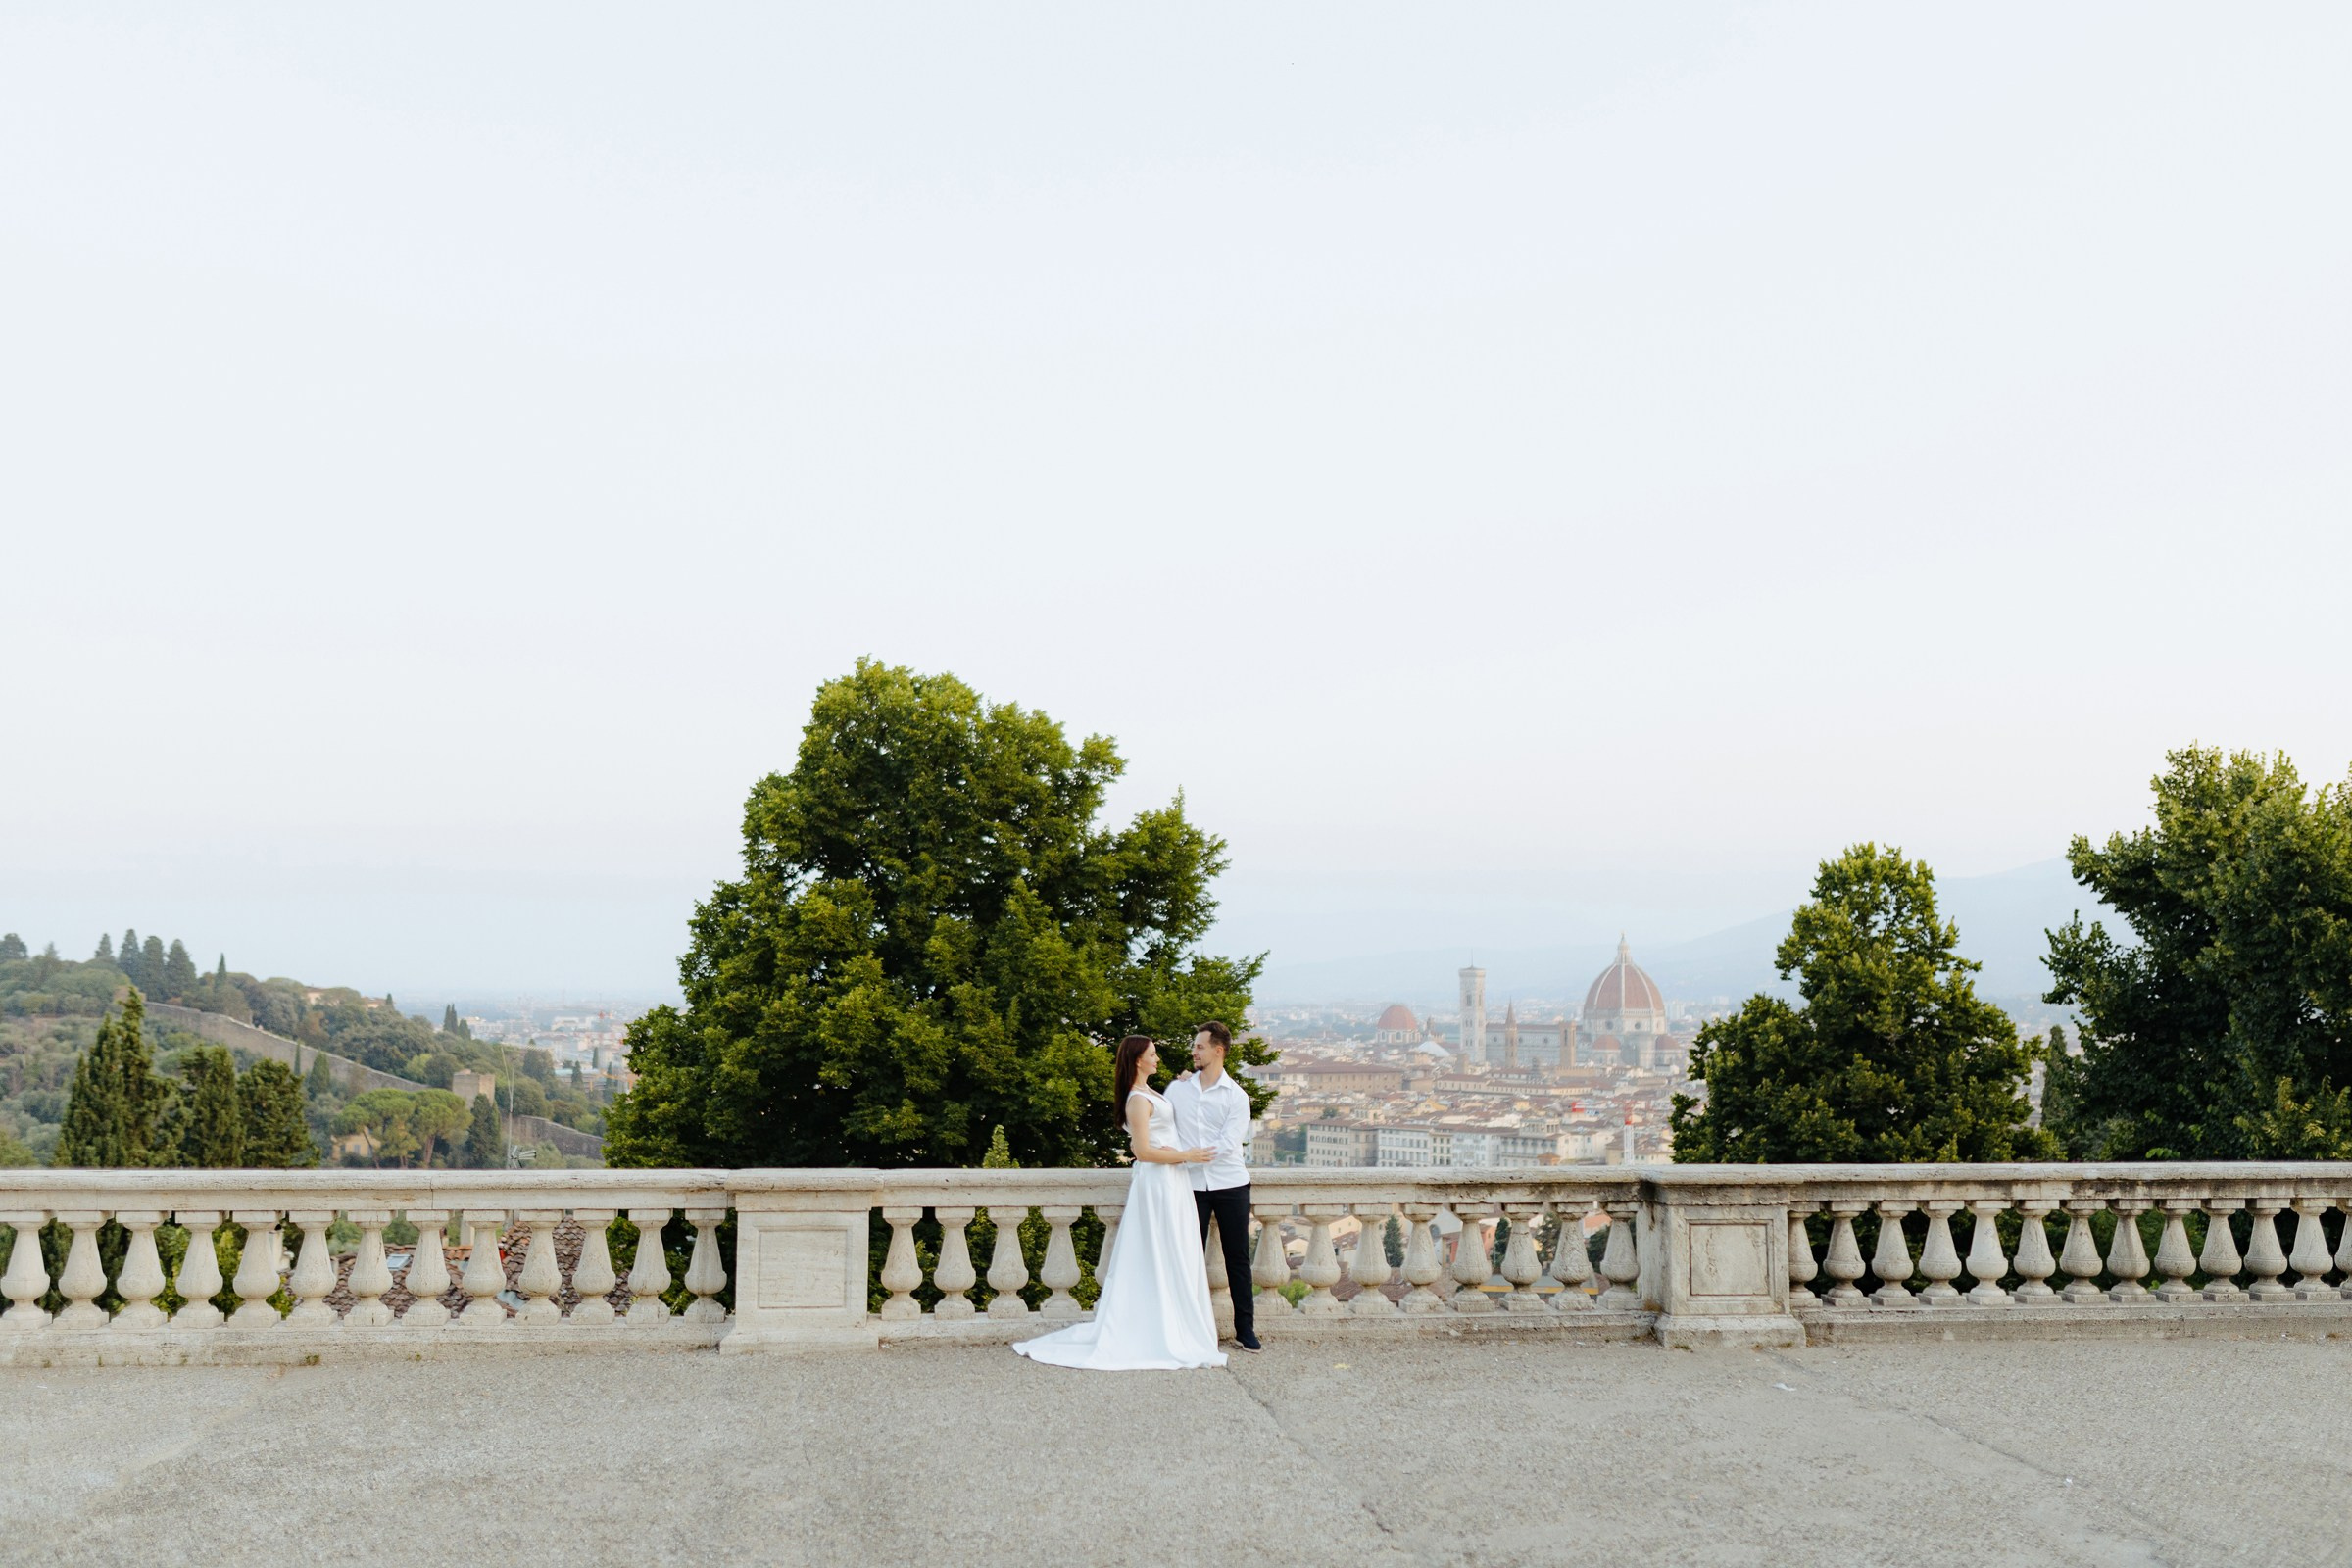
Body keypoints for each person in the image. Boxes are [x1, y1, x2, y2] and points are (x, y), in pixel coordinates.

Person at [1012, 1035, 1227, 1371]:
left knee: (1174, 1251)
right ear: (1138, 1060)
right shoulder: (1137, 1100)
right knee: (1162, 1250)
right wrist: (1188, 1155)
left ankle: (1176, 1324)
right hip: (1159, 1182)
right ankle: (1163, 1330)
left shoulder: (1150, 1093)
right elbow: (1141, 1152)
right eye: (1153, 1054)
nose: (1158, 1058)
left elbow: (1163, 1128)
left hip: (1171, 1180)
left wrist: (1185, 1083)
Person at [1166, 1019, 1261, 1352]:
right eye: (1194, 1046)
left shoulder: (1237, 1097)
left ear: (1218, 1051)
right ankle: (1188, 1329)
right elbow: (1161, 1123)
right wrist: (1180, 1157)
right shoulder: (1177, 1090)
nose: (1193, 1051)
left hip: (1231, 1184)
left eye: (1200, 1046)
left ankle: (1245, 1329)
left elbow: (1229, 1143)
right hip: (1190, 1185)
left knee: (1238, 1259)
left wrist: (1186, 1156)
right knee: (1188, 1258)